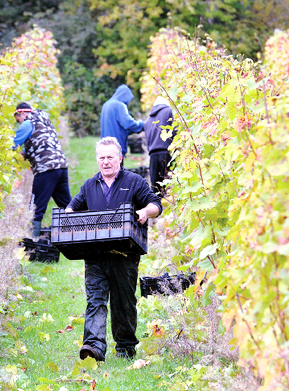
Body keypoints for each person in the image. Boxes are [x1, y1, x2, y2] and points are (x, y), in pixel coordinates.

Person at [65, 137, 162, 361]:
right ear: (97, 160)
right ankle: (93, 347)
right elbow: (72, 208)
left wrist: (145, 212)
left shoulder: (134, 181)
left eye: (110, 157)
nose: (106, 162)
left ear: (120, 158)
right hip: (95, 255)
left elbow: (155, 203)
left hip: (125, 254)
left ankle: (126, 348)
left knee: (123, 302)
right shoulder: (90, 185)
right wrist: (69, 218)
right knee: (95, 300)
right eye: (102, 158)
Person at [13, 102, 71, 237]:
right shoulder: (45, 122)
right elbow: (42, 145)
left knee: (35, 208)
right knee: (67, 205)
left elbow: (12, 145)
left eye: (18, 120)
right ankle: (80, 234)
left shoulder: (28, 123)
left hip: (46, 170)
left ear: (22, 113)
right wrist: (26, 154)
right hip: (61, 167)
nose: (19, 124)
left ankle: (31, 243)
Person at [143, 96, 177, 196]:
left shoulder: (148, 119)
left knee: (155, 189)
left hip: (153, 156)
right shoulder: (169, 111)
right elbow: (175, 130)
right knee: (170, 185)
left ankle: (157, 210)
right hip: (166, 153)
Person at [100, 84, 143, 157]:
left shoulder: (106, 105)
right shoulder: (119, 105)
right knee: (117, 168)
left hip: (105, 146)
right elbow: (128, 123)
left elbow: (116, 127)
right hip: (116, 147)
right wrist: (141, 124)